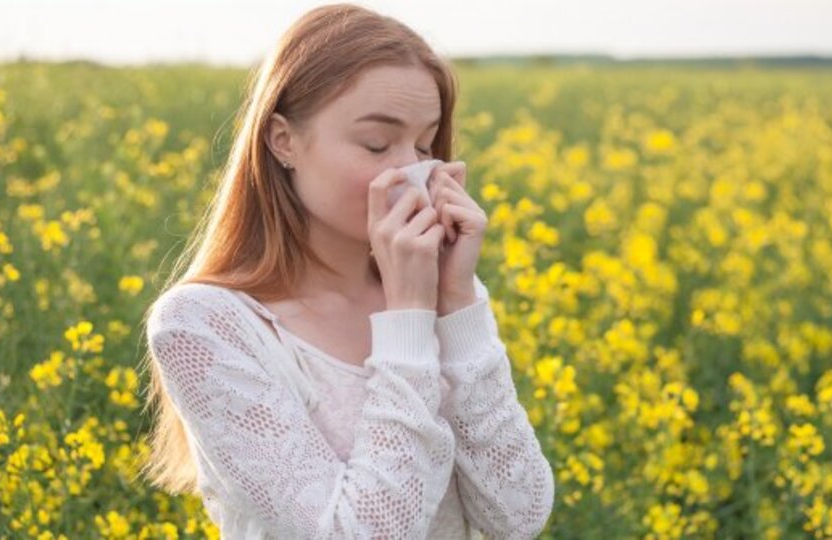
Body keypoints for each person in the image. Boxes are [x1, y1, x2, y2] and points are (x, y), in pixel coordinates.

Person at [140, 3, 554, 538]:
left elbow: (518, 516)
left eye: (426, 143)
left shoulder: (446, 295)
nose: (412, 169)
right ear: (283, 141)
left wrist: (456, 306)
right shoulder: (204, 325)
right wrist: (408, 318)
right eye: (377, 144)